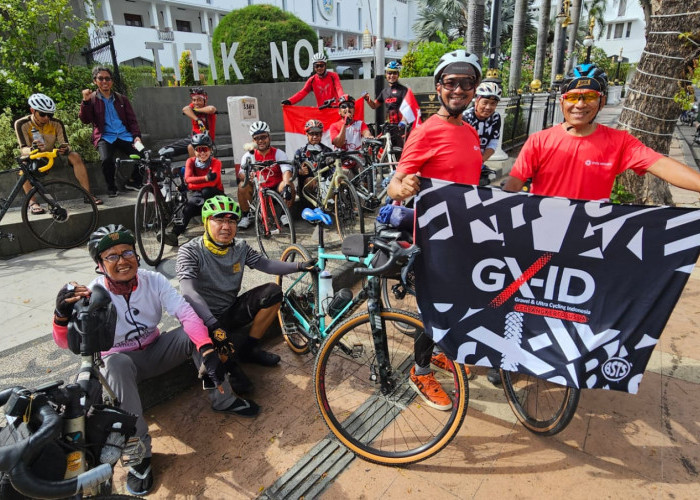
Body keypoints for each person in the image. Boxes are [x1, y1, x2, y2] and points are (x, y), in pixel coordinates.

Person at [502, 63, 700, 383]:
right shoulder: (540, 140)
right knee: (525, 305)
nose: (580, 104)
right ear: (562, 100)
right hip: (540, 240)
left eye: (589, 97)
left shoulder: (618, 142)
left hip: (587, 244)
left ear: (601, 102)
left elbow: (659, 164)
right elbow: (514, 182)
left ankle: (564, 358)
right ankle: (511, 362)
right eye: (574, 96)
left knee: (576, 309)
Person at [52, 224, 259, 496]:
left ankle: (224, 398)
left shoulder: (153, 280)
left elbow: (185, 313)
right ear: (99, 264)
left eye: (127, 252)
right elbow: (69, 343)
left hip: (156, 348)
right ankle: (140, 453)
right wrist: (61, 316)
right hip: (122, 364)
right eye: (111, 256)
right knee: (115, 363)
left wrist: (207, 351)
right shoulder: (93, 294)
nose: (123, 260)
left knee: (195, 333)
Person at [387, 49, 482, 411]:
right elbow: (395, 185)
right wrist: (403, 189)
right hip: (435, 236)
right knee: (438, 308)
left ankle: (442, 354)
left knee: (461, 302)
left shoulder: (470, 131)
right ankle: (420, 370)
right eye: (451, 83)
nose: (459, 90)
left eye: (466, 84)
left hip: (466, 234)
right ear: (439, 88)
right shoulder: (426, 132)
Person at [176, 195, 318, 394]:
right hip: (202, 320)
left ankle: (250, 349)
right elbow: (188, 292)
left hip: (229, 309)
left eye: (232, 220)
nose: (226, 226)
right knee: (242, 385)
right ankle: (230, 366)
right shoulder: (190, 251)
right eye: (220, 220)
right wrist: (212, 324)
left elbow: (266, 264)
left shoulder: (240, 247)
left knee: (273, 292)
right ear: (207, 222)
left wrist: (300, 266)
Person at [14, 93, 102, 213]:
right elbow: (23, 148)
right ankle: (33, 202)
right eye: (42, 114)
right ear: (32, 110)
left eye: (50, 114)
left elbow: (65, 143)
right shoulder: (21, 124)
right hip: (35, 156)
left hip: (53, 154)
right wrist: (32, 148)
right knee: (23, 164)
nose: (46, 118)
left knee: (75, 156)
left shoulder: (57, 123)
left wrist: (65, 148)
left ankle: (88, 195)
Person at [79, 66, 143, 197]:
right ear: (95, 81)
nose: (104, 82)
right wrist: (85, 102)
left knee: (143, 152)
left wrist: (136, 136)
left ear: (112, 81)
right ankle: (111, 187)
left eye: (107, 78)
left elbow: (132, 120)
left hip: (126, 135)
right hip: (105, 136)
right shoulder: (91, 99)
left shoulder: (121, 99)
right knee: (106, 159)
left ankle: (134, 181)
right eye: (100, 78)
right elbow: (85, 120)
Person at [163, 133, 225, 247]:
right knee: (188, 206)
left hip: (216, 196)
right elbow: (187, 178)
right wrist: (205, 178)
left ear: (210, 150)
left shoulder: (216, 162)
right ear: (194, 151)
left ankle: (212, 228)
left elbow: (213, 183)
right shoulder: (190, 161)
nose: (202, 153)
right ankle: (174, 234)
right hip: (199, 195)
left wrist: (190, 186)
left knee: (207, 190)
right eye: (198, 150)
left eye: (205, 149)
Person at [237, 121, 294, 229]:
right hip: (258, 188)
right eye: (256, 138)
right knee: (242, 186)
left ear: (269, 137)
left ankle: (284, 214)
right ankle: (245, 216)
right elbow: (241, 173)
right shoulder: (248, 155)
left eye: (263, 137)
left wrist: (286, 185)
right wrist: (247, 176)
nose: (260, 141)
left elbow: (286, 171)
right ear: (253, 140)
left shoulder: (278, 153)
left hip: (275, 187)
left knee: (289, 184)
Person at [161, 87, 217, 158]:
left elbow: (211, 109)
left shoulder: (207, 109)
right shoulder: (192, 107)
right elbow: (185, 109)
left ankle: (195, 167)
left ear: (205, 100)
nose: (196, 102)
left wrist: (196, 110)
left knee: (191, 147)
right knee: (166, 150)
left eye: (199, 100)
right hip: (193, 138)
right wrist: (197, 120)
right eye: (194, 100)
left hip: (206, 140)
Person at [365, 60, 410, 146]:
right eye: (389, 73)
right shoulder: (384, 91)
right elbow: (374, 105)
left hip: (401, 126)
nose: (392, 76)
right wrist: (368, 99)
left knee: (401, 150)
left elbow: (407, 106)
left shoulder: (403, 90)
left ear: (398, 75)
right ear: (386, 74)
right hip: (389, 126)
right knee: (388, 150)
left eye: (394, 73)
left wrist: (404, 121)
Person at [329, 95, 372, 179]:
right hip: (342, 162)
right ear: (339, 111)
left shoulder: (360, 123)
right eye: (343, 106)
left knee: (367, 174)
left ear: (354, 110)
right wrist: (345, 124)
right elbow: (338, 143)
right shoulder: (334, 126)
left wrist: (369, 137)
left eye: (350, 106)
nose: (347, 109)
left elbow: (367, 134)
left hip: (357, 160)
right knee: (346, 176)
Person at [293, 119, 333, 205]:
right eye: (312, 134)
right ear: (306, 134)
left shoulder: (328, 151)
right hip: (306, 189)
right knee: (311, 180)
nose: (315, 136)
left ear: (321, 135)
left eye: (317, 134)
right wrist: (299, 171)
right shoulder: (300, 153)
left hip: (326, 185)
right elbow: (292, 172)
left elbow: (333, 170)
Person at [463, 81, 502, 163]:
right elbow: (462, 145)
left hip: (480, 160)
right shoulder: (465, 117)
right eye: (485, 102)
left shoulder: (495, 117)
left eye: (493, 103)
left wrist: (481, 160)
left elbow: (493, 143)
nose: (488, 107)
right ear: (477, 101)